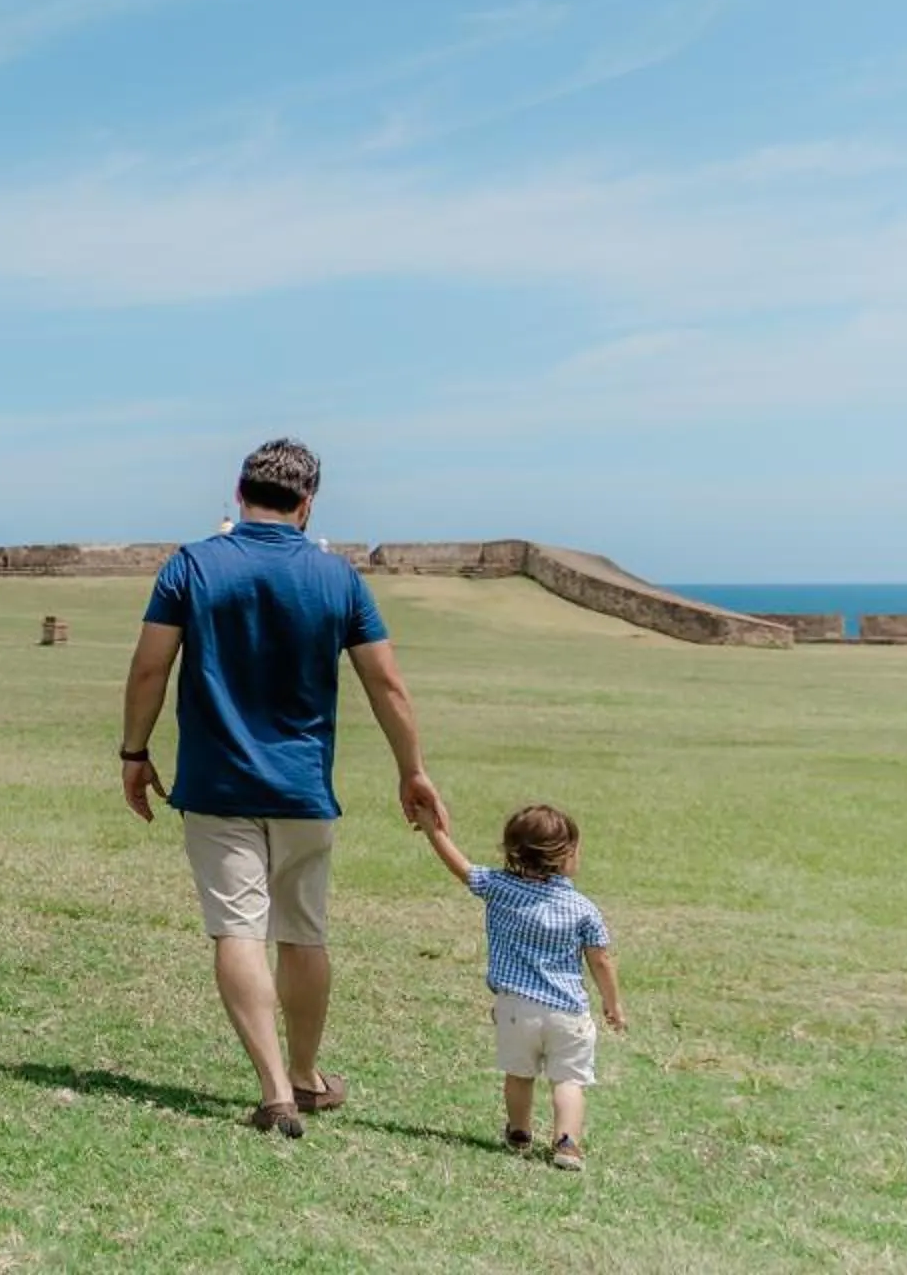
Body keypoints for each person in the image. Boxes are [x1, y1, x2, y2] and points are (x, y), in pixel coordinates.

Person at [119, 438, 446, 1136]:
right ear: (307, 504)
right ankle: (305, 1073)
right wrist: (411, 769)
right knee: (303, 932)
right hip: (304, 790)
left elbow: (150, 668)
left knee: (236, 928)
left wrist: (134, 751)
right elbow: (386, 682)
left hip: (217, 785)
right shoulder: (339, 579)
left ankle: (274, 1090)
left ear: (239, 495)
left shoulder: (192, 565)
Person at [419, 803, 624, 1171]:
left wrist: (433, 831)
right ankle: (567, 1143)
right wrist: (613, 1004)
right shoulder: (583, 908)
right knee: (568, 1081)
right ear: (564, 857)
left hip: (516, 1009)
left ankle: (518, 1131)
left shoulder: (498, 887)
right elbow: (600, 960)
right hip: (568, 1015)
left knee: (519, 1076)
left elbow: (461, 868)